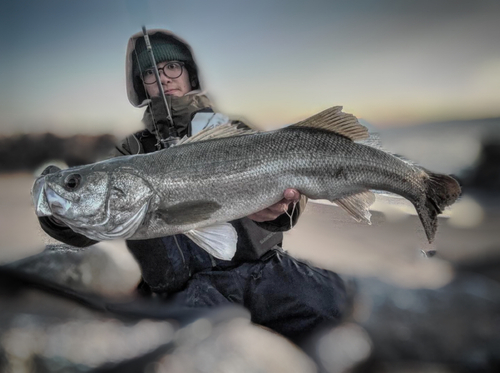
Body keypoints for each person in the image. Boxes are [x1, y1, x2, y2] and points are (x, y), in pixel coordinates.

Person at [38, 29, 346, 346]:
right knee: (184, 353)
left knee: (342, 311)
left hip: (264, 270)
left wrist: (284, 209)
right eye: (150, 73)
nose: (164, 78)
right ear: (141, 84)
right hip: (182, 292)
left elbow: (295, 179)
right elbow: (89, 223)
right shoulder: (128, 153)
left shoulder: (235, 130)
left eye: (172, 67)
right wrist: (57, 214)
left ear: (189, 72)